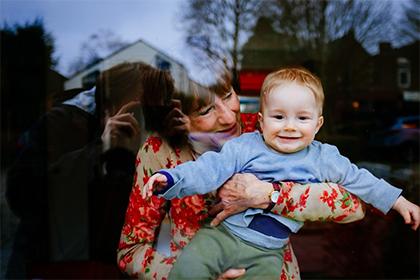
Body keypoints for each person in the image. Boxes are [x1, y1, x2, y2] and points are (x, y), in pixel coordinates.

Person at [144, 67, 420, 279]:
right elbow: (208, 169)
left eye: (302, 118)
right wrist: (171, 179)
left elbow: (359, 184)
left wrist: (398, 201)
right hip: (221, 236)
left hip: (268, 252)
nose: (290, 126)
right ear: (262, 121)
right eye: (279, 117)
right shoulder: (245, 145)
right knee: (188, 268)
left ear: (318, 124)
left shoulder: (323, 158)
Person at [5, 62, 176, 278]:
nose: (144, 121)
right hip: (50, 266)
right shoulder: (62, 124)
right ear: (108, 107)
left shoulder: (148, 139)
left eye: (154, 111)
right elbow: (21, 195)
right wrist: (99, 150)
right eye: (139, 110)